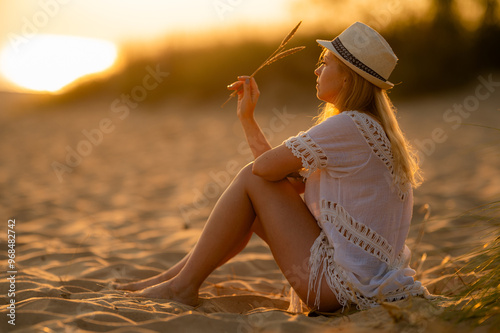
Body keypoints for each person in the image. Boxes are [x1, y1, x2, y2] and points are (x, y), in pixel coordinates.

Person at [115, 22, 429, 312]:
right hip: (358, 282)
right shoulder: (368, 127)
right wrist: (247, 119)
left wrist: (248, 124)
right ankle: (174, 279)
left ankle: (181, 285)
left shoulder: (350, 125)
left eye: (325, 62)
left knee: (249, 179)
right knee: (253, 194)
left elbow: (263, 172)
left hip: (341, 289)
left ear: (346, 75)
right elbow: (280, 180)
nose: (317, 70)